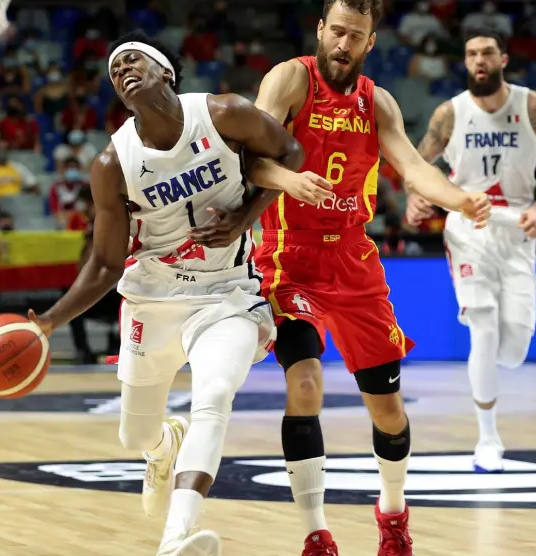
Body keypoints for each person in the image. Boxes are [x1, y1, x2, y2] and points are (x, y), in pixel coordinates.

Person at [188, 2, 491, 555]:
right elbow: (249, 159)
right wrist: (289, 180)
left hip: (353, 260)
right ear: (321, 30)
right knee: (305, 384)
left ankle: (393, 516)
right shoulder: (290, 79)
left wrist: (459, 199)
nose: (344, 44)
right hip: (289, 257)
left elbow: (414, 169)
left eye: (356, 36)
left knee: (388, 411)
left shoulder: (379, 102)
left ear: (370, 43)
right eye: (337, 31)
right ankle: (315, 534)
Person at [26, 31, 332, 556]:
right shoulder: (113, 163)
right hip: (153, 299)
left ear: (165, 72)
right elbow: (104, 263)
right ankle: (163, 444)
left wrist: (244, 218)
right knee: (134, 437)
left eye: (132, 60)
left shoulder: (224, 113)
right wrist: (50, 321)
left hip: (226, 294)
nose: (122, 70)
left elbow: (290, 150)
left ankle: (176, 537)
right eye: (114, 69)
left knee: (215, 396)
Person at [408, 29, 536, 473]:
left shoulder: (535, 106)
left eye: (487, 53)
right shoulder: (450, 113)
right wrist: (415, 196)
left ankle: (490, 364)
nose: (479, 60)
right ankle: (488, 439)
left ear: (503, 60)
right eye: (471, 54)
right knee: (482, 325)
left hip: (517, 228)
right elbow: (416, 166)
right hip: (468, 227)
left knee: (513, 348)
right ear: (465, 62)